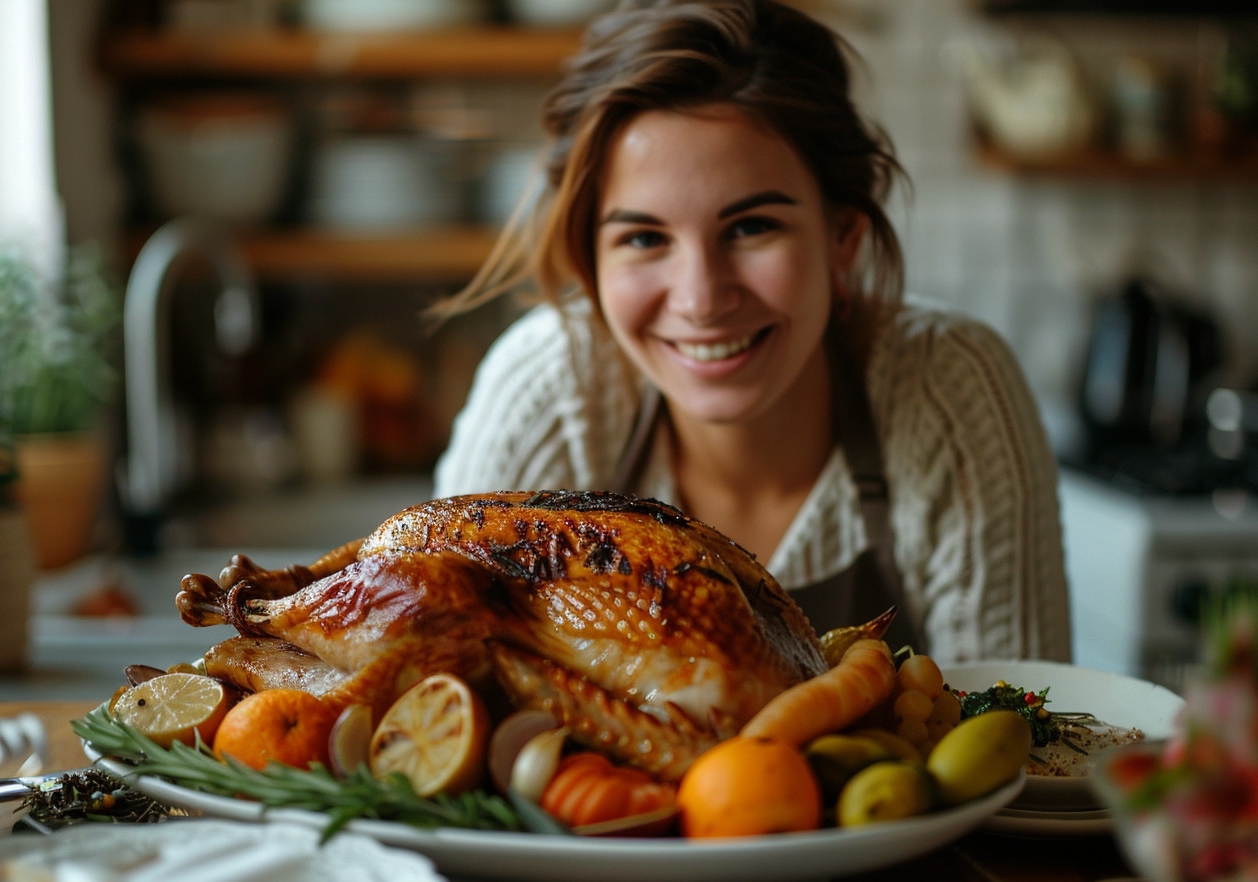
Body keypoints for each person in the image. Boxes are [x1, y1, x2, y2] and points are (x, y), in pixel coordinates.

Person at [430, 0, 1070, 664]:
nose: (702, 298)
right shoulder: (546, 397)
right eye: (644, 237)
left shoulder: (950, 389)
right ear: (591, 258)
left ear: (841, 236)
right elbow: (439, 709)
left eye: (751, 227)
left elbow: (1023, 739)